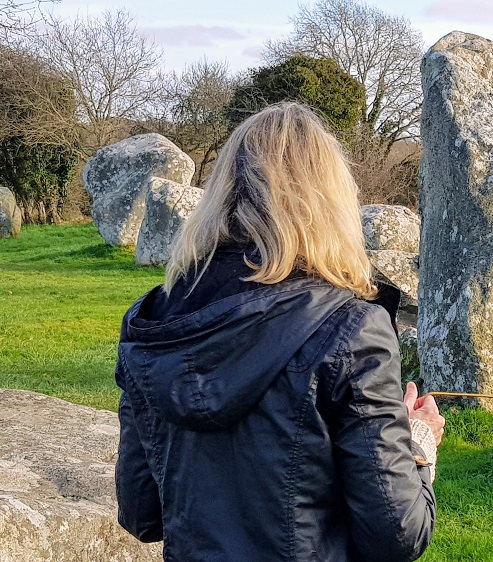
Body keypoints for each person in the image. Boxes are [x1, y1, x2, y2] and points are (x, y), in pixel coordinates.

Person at [114, 102, 444, 562]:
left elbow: (142, 513)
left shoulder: (156, 323)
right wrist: (417, 443)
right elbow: (396, 534)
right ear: (330, 201)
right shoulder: (350, 330)